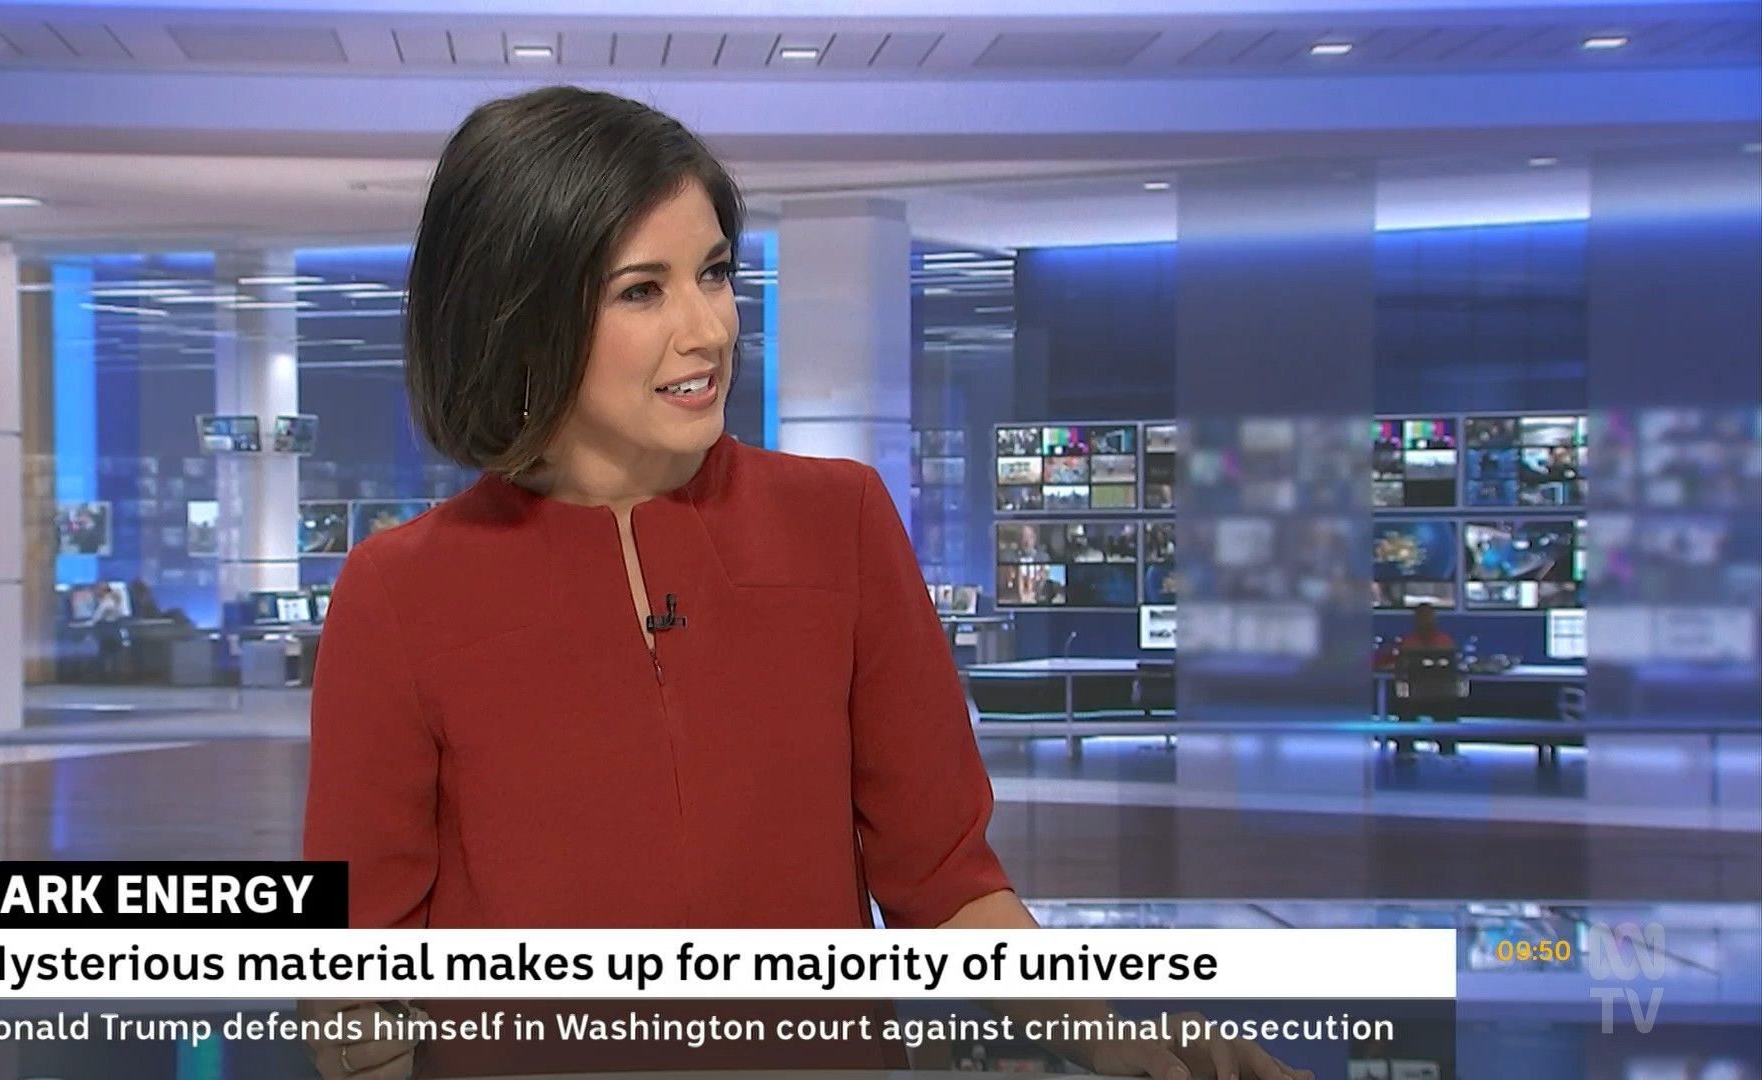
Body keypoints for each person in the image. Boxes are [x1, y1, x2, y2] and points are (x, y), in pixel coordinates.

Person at [301, 86, 1307, 1080]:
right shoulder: (400, 591)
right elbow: (354, 968)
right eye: (642, 290)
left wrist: (1116, 1034)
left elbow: (945, 881)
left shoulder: (840, 523)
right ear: (516, 317)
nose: (707, 330)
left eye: (715, 273)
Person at [1393, 603, 1460, 756]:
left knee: (1404, 709)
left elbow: (1399, 671)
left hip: (1415, 699)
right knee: (1448, 712)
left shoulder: (1408, 643)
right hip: (1443, 699)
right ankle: (1447, 752)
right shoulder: (1446, 642)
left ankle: (1405, 753)